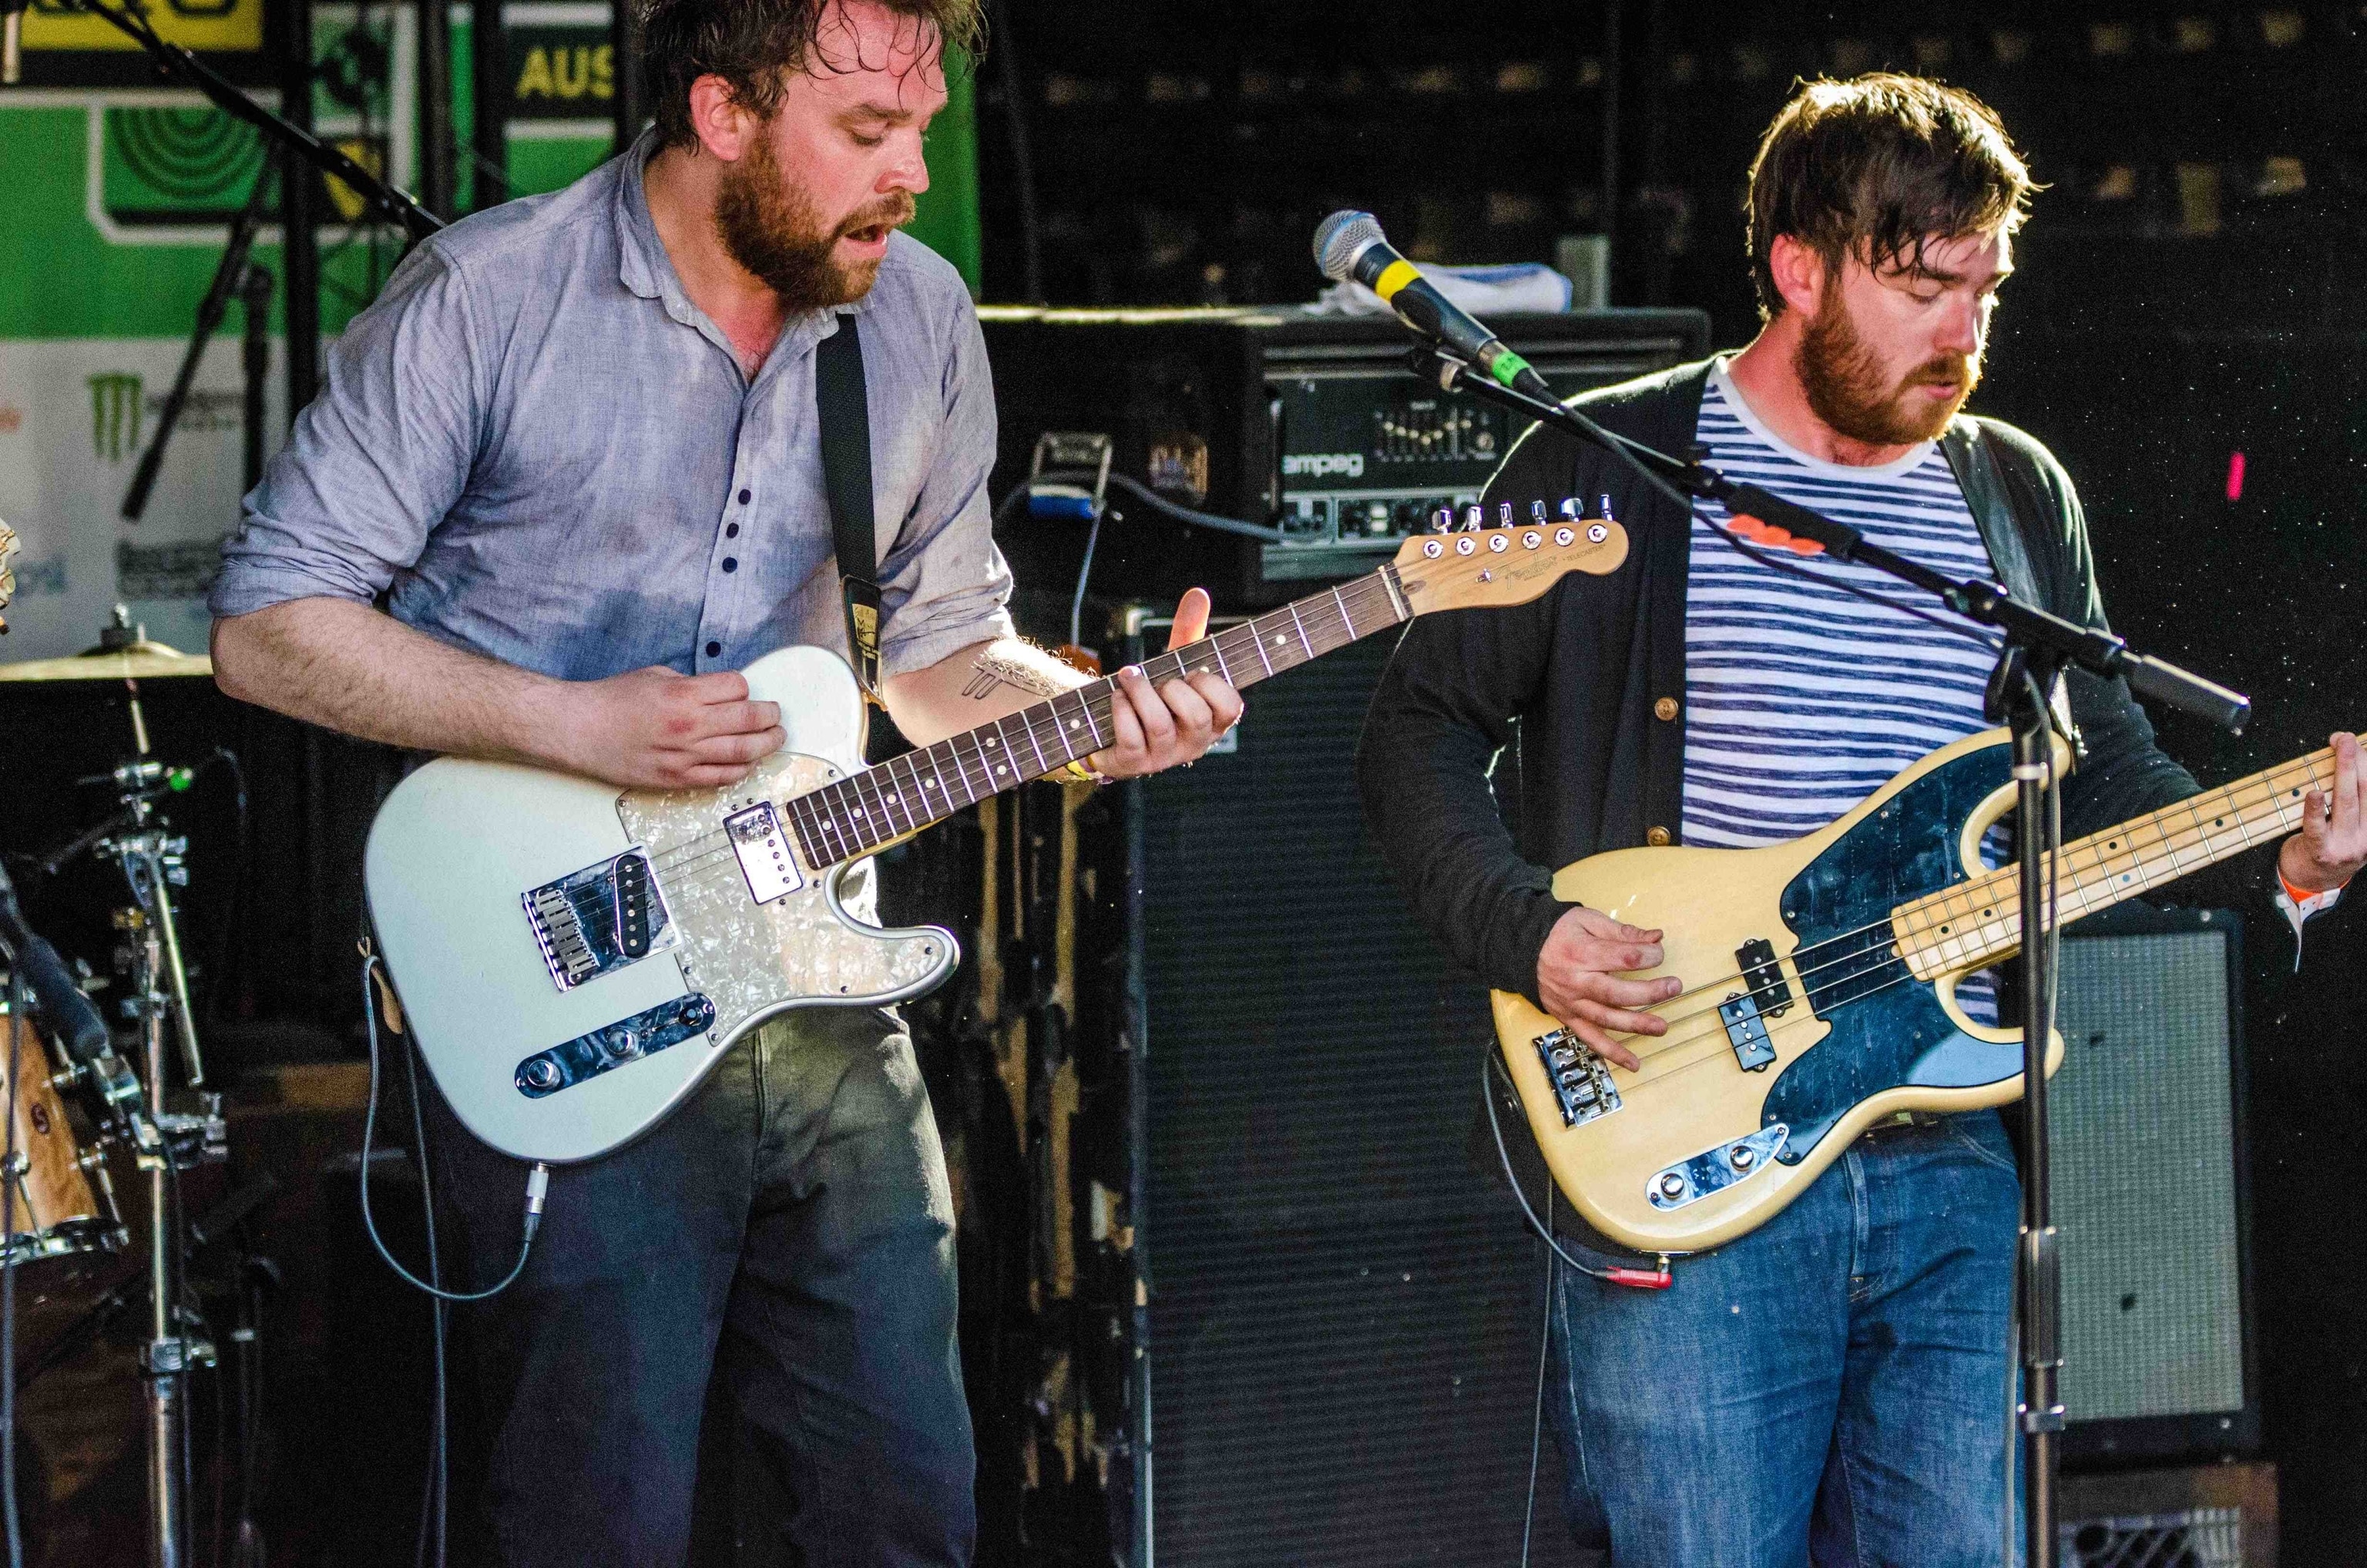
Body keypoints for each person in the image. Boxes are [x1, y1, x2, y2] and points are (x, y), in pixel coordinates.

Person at [206, 0, 1240, 1561]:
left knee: (904, 1502)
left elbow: (943, 658)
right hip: (566, 981)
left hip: (817, 984)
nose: (909, 179)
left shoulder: (918, 318)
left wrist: (1100, 709)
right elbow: (266, 630)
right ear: (724, 112)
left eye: (924, 136)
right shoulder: (495, 298)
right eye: (867, 136)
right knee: (598, 1515)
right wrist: (573, 725)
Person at [1356, 73, 2359, 1566]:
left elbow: (2112, 778)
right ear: (1797, 266)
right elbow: (1415, 732)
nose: (1962, 335)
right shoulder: (1609, 466)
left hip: (1942, 1148)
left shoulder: (2010, 493)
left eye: (1984, 289)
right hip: (1690, 1126)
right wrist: (1532, 930)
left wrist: (2287, 852)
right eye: (1920, 287)